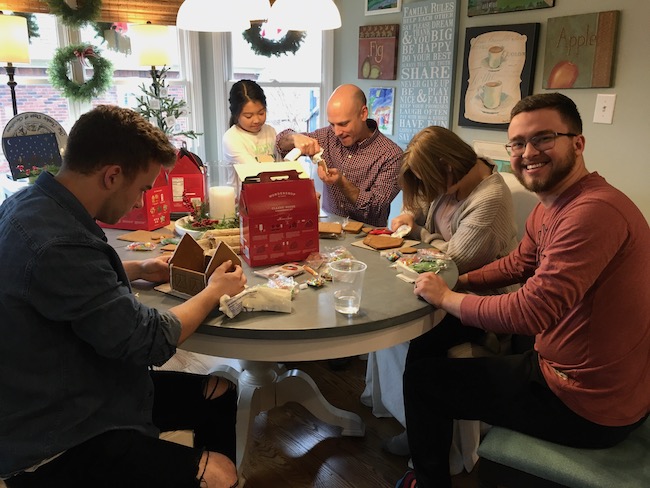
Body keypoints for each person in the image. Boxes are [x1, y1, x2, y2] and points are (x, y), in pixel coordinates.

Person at [396, 92, 650, 488]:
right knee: (430, 339)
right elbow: (519, 264)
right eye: (517, 143)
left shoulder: (593, 212)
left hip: (583, 403)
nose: (528, 152)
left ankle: (429, 481)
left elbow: (532, 312)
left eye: (543, 138)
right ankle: (424, 437)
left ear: (577, 143)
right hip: (566, 374)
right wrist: (458, 281)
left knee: (424, 384)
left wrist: (448, 298)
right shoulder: (553, 205)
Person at [0, 105, 247, 488]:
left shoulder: (28, 204)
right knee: (221, 474)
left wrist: (137, 268)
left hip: (79, 386)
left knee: (220, 391)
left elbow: (63, 286)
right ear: (112, 175)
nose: (141, 200)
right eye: (143, 188)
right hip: (56, 436)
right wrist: (215, 290)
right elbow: (148, 340)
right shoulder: (60, 243)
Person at [361, 126, 518, 461]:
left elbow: (453, 264)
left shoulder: (489, 199)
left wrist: (419, 233)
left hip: (481, 302)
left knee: (423, 341)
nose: (432, 193)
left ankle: (424, 437)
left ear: (447, 167)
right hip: (444, 286)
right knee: (382, 306)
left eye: (430, 181)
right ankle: (409, 415)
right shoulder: (455, 181)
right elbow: (425, 207)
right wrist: (410, 215)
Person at [276, 84, 402, 227]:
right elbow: (280, 143)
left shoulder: (391, 155)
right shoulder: (327, 136)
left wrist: (341, 182)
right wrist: (294, 137)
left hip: (367, 239)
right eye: (332, 124)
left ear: (363, 113)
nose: (337, 132)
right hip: (328, 229)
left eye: (343, 124)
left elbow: (376, 209)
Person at [222, 79, 277, 195]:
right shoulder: (231, 138)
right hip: (242, 201)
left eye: (261, 113)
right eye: (248, 116)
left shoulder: (270, 131)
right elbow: (254, 171)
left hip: (270, 195)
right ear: (236, 115)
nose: (256, 120)